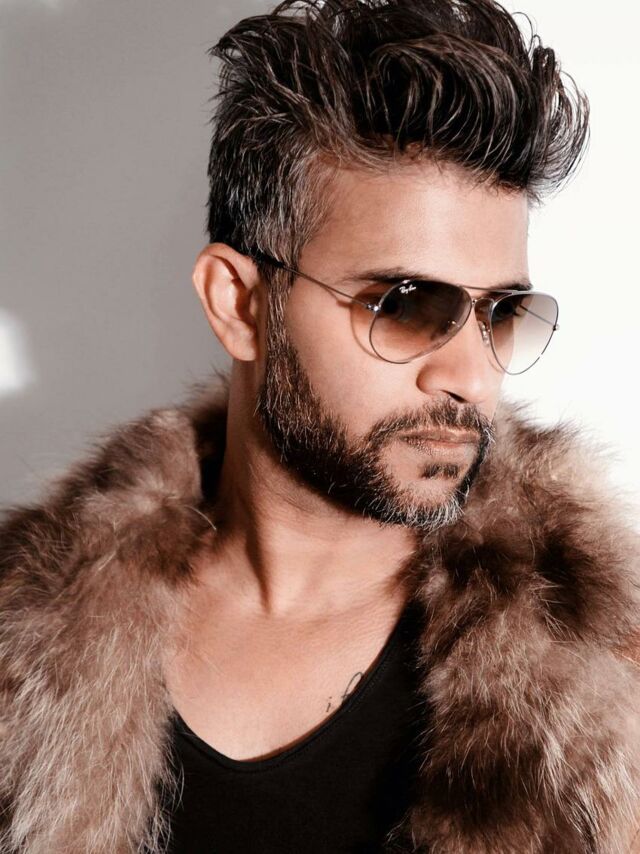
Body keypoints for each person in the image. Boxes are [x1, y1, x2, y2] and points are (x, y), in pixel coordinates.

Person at [1, 0, 640, 851]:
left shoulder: (607, 684)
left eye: (502, 312)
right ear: (239, 304)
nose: (471, 376)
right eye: (405, 304)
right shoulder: (21, 647)